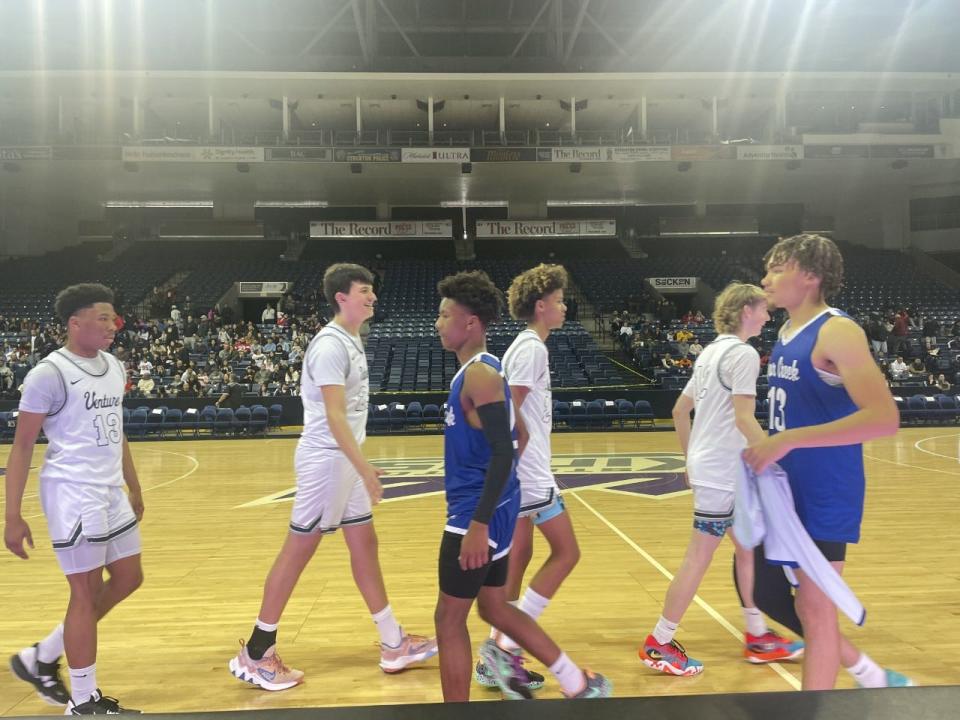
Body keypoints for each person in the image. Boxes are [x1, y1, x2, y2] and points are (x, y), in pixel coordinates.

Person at [228, 264, 436, 691]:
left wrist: (357, 466)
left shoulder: (352, 340)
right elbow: (334, 415)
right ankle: (256, 652)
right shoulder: (329, 346)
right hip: (328, 460)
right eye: (364, 290)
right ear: (341, 297)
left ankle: (393, 642)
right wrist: (364, 468)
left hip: (344, 461)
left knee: (364, 543)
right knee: (298, 549)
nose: (372, 297)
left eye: (373, 290)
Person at [432, 270, 610, 702]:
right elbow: (520, 435)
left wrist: (479, 523)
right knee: (495, 607)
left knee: (448, 621)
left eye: (444, 315)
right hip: (494, 511)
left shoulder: (479, 375)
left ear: (470, 322)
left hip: (474, 516)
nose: (437, 323)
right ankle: (575, 683)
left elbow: (505, 452)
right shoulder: (482, 373)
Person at [743, 234, 908, 691]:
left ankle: (825, 702)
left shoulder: (837, 330)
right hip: (783, 488)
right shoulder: (785, 331)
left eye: (777, 268)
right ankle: (869, 676)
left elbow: (884, 418)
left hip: (823, 491)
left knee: (814, 611)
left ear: (810, 276)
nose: (766, 279)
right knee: (766, 592)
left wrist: (790, 440)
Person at [640, 283, 802, 677]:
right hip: (723, 472)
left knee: (746, 548)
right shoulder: (743, 354)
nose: (767, 316)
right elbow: (745, 419)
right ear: (746, 309)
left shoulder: (710, 352)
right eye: (762, 309)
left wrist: (690, 459)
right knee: (699, 557)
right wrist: (775, 458)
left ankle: (757, 633)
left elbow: (681, 411)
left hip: (716, 468)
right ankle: (659, 642)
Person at [5, 283, 144, 714]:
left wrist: (133, 485)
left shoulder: (114, 366)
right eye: (103, 318)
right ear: (75, 323)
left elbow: (115, 429)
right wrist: (12, 514)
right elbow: (23, 445)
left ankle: (42, 655)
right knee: (83, 593)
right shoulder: (50, 373)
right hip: (72, 491)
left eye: (113, 317)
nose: (112, 325)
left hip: (109, 490)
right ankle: (83, 700)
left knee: (128, 577)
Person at [474, 265, 579, 693]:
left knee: (517, 561)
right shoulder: (531, 348)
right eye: (558, 300)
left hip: (523, 473)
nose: (564, 306)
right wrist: (516, 460)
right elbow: (507, 412)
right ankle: (505, 647)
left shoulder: (526, 346)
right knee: (567, 553)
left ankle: (496, 653)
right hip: (529, 474)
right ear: (541, 305)